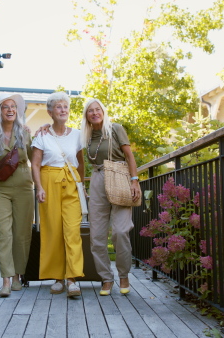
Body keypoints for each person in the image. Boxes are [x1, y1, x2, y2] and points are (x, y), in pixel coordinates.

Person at [80, 98, 141, 295]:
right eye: (90, 111)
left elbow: (129, 155)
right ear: (86, 116)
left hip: (119, 177)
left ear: (103, 112)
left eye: (98, 109)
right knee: (96, 236)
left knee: (120, 231)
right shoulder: (86, 136)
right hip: (97, 180)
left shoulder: (115, 128)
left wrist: (134, 180)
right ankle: (106, 278)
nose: (95, 113)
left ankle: (123, 275)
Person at [30, 91, 85, 297]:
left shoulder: (78, 135)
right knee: (52, 231)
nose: (63, 110)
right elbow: (35, 164)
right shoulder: (42, 135)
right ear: (50, 112)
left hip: (71, 184)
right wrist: (39, 188)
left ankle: (72, 279)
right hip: (49, 182)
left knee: (72, 231)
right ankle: (57, 278)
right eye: (59, 107)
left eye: (66, 107)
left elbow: (81, 164)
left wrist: (82, 188)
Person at [0, 93, 34, 298]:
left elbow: (36, 159)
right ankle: (5, 279)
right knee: (4, 232)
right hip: (0, 188)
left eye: (13, 107)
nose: (10, 110)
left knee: (21, 234)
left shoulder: (25, 133)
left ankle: (17, 277)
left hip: (23, 186)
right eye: (5, 107)